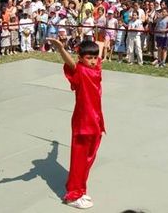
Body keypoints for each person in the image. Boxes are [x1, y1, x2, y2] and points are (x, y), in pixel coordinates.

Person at [47, 37, 105, 209]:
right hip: (83, 123)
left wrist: (54, 148)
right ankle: (73, 195)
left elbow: (97, 51)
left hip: (96, 121)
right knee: (79, 161)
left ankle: (80, 189)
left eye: (95, 57)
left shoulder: (97, 68)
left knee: (88, 160)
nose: (94, 61)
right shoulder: (80, 71)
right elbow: (72, 64)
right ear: (80, 58)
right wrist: (61, 49)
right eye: (89, 58)